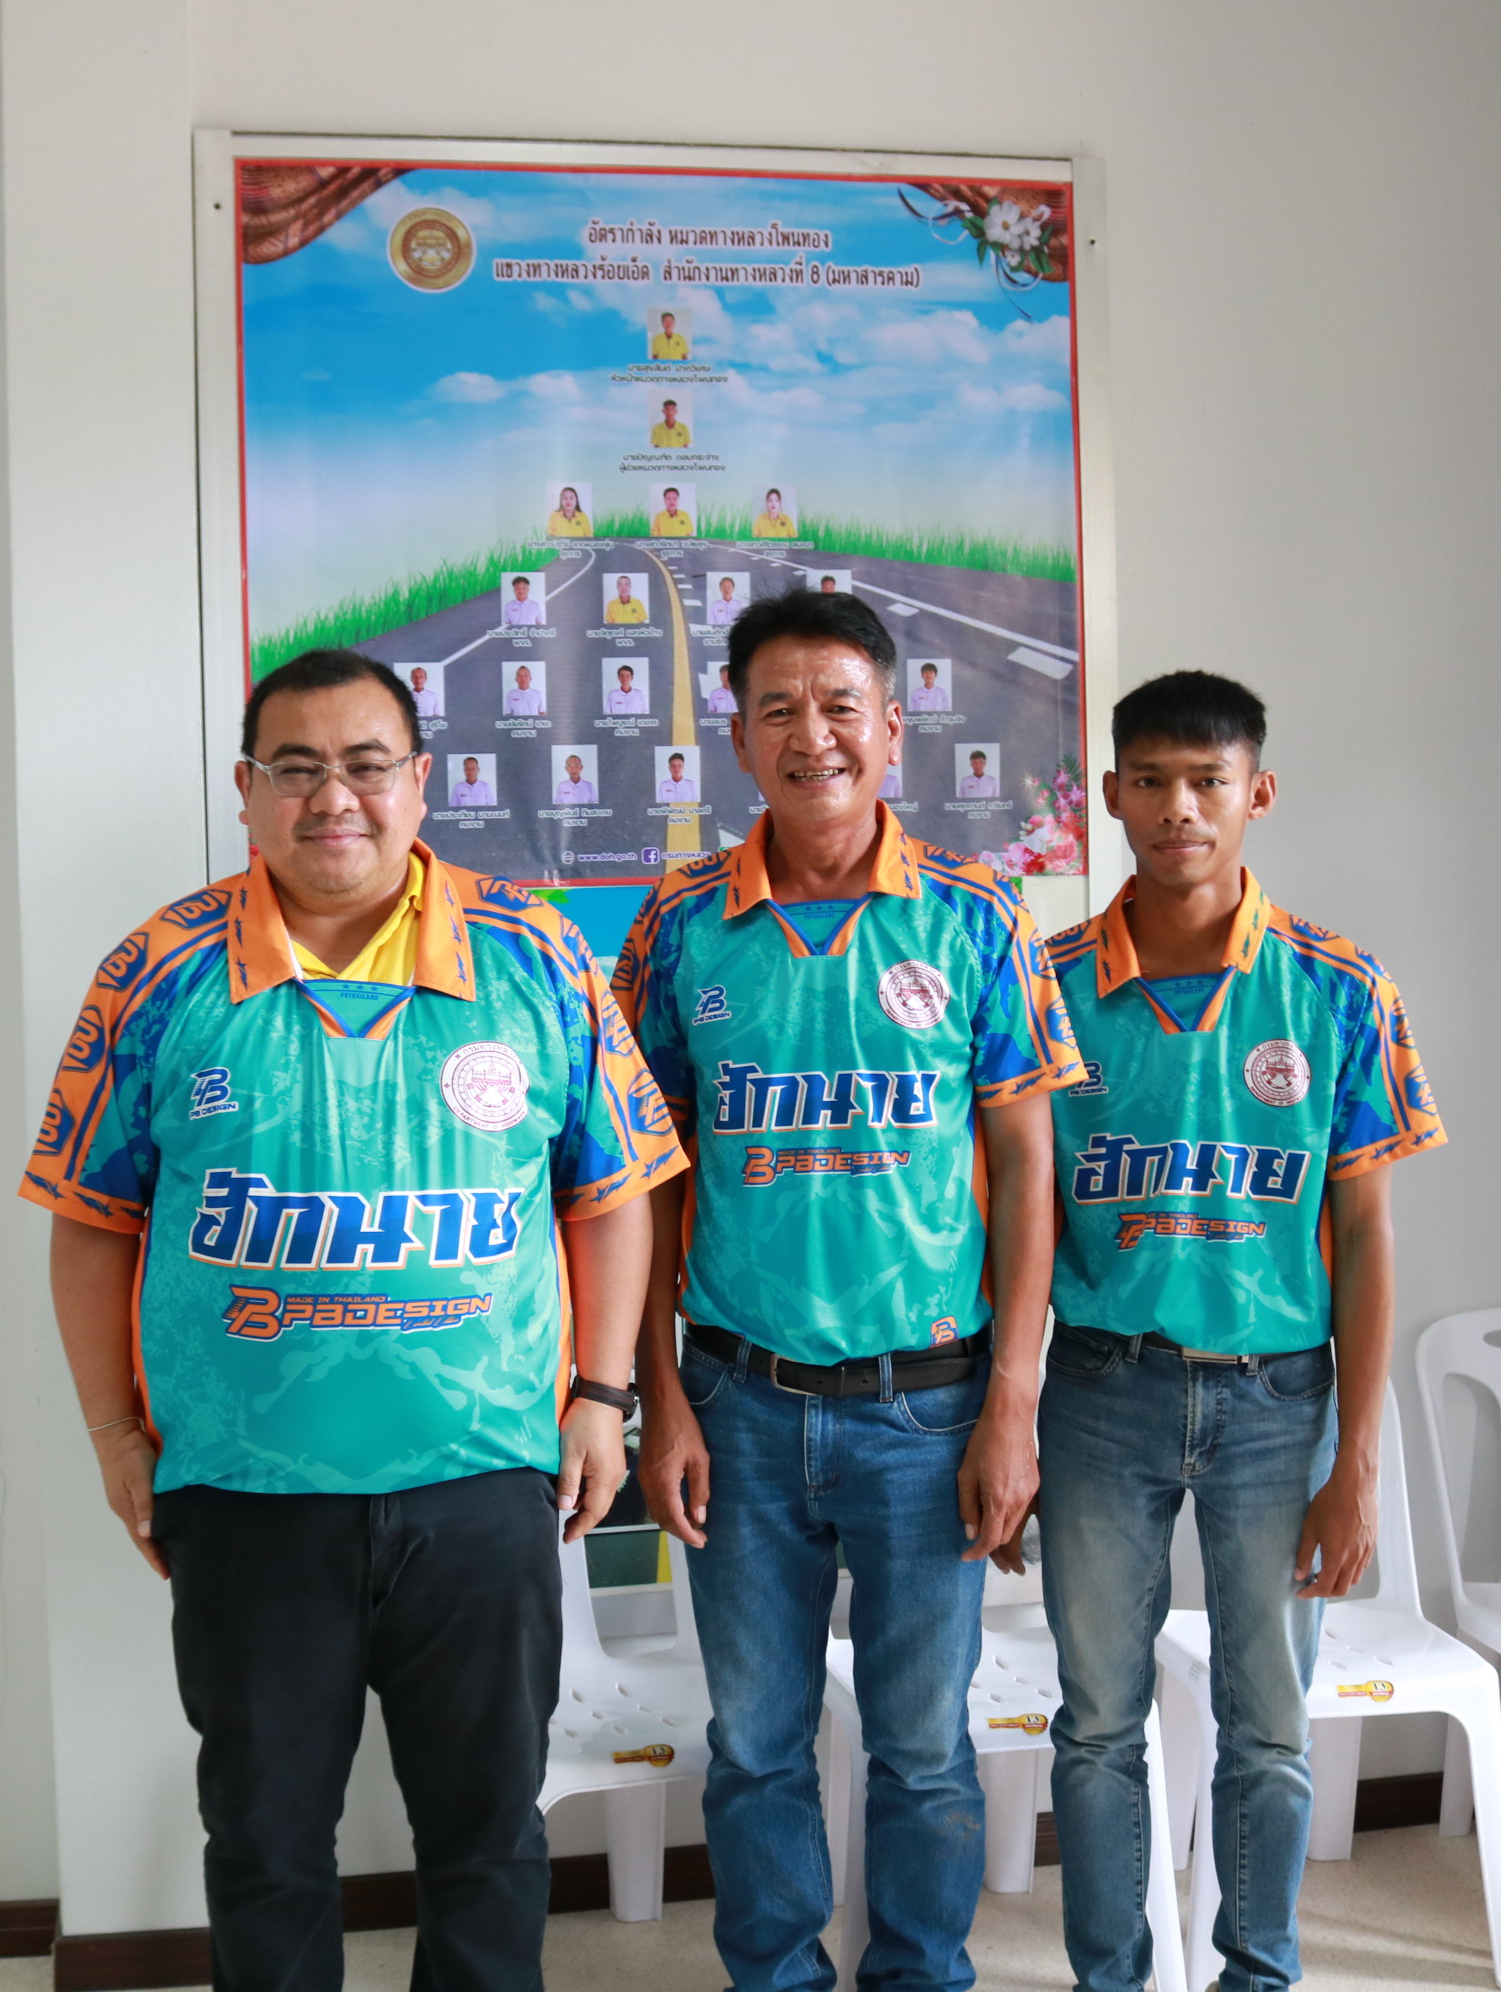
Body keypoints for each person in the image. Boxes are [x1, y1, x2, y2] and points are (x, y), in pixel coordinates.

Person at [25, 649, 682, 1992]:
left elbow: (613, 1192)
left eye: (367, 765)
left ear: (420, 781)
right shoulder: (159, 970)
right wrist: (110, 1435)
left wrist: (603, 1395)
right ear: (247, 789)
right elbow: (89, 1220)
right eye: (298, 768)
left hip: (483, 1482)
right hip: (245, 1490)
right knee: (264, 1841)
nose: (335, 797)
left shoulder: (535, 952)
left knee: (488, 1835)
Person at [616, 587, 1084, 1992]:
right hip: (737, 1402)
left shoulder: (975, 917)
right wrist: (658, 1398)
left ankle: (921, 1974)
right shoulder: (680, 924)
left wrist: (1013, 1405)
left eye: (839, 706)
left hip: (927, 1410)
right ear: (736, 742)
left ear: (892, 729)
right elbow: (644, 1173)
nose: (810, 734)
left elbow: (1028, 1167)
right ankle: (773, 1976)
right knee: (754, 1743)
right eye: (777, 709)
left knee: (923, 1746)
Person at [1038, 670, 1444, 1992]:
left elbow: (1367, 1235)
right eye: (1151, 781)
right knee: (1098, 1723)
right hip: (1100, 1392)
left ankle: (1256, 1975)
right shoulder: (1050, 988)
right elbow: (1014, 1218)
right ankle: (1110, 1977)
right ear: (1112, 796)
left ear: (1256, 794)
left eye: (1207, 781)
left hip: (1278, 1403)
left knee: (1267, 1726)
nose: (1179, 808)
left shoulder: (1337, 986)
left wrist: (1357, 1461)